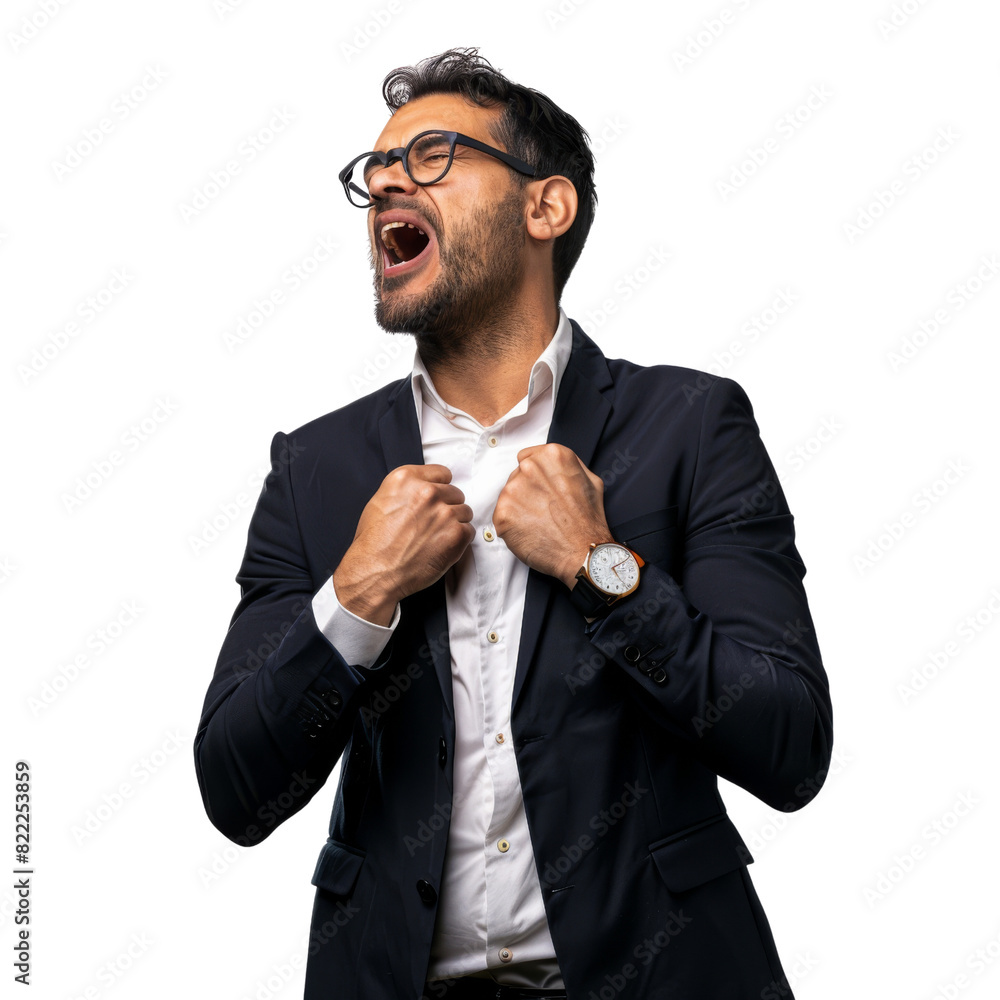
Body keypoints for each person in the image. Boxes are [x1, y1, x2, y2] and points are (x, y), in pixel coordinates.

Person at [194, 47, 833, 1000]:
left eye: (433, 155)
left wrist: (601, 565)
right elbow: (236, 790)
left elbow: (788, 744)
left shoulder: (690, 426)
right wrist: (358, 594)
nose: (384, 187)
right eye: (374, 174)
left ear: (547, 207)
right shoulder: (315, 469)